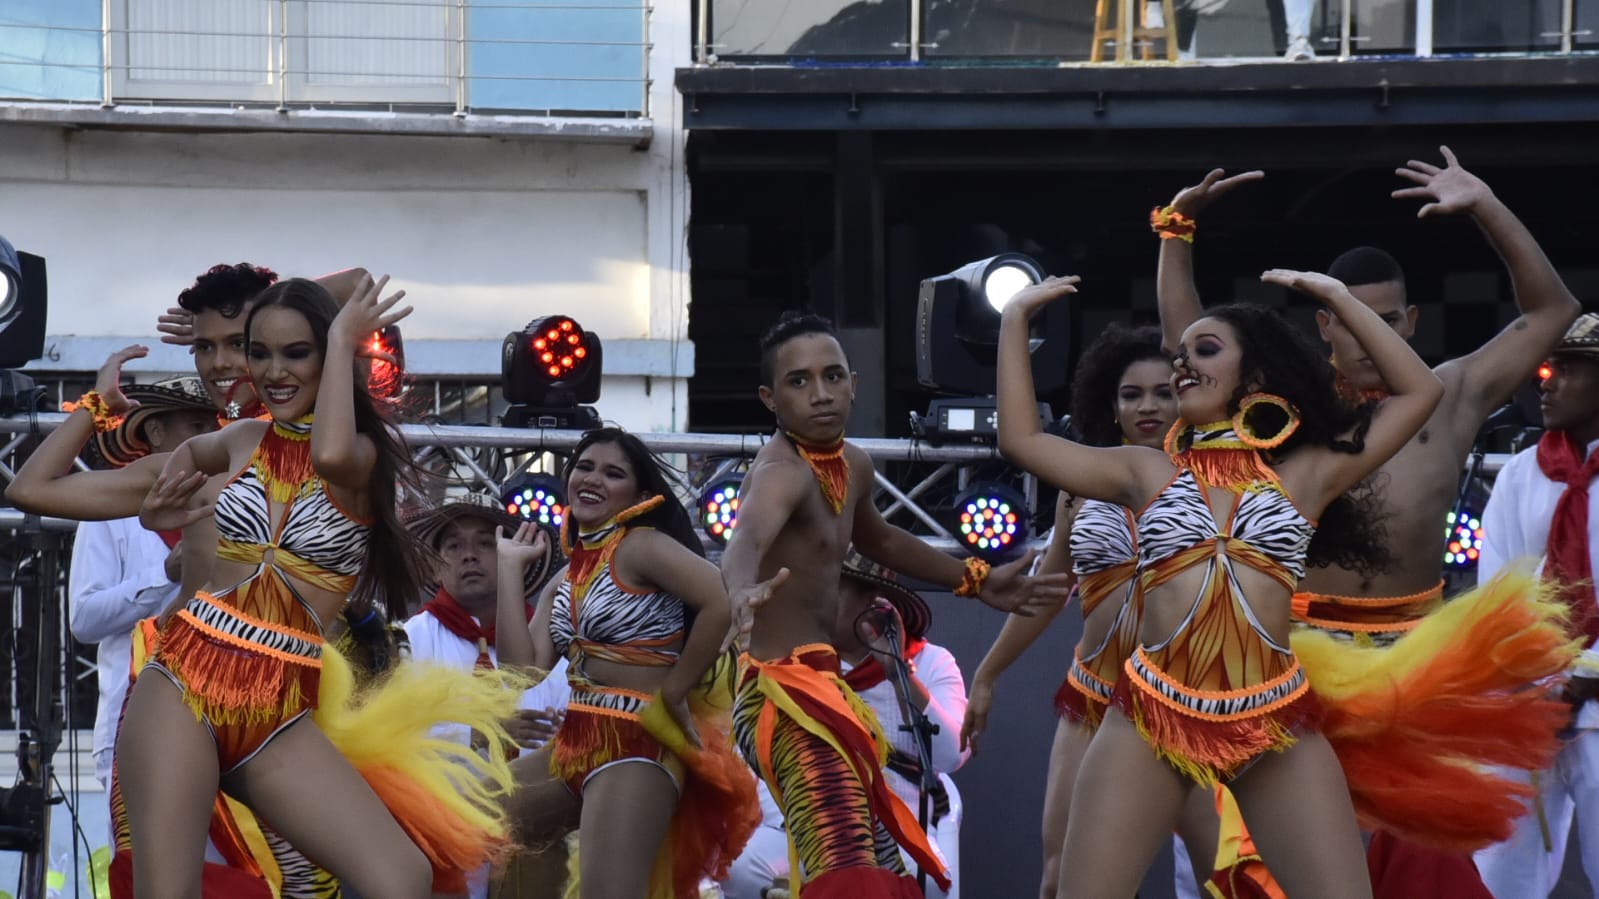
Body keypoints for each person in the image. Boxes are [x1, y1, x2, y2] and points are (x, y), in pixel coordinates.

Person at [1157, 151, 1582, 893]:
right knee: (1273, 867)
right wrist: (1174, 232)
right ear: (1325, 322)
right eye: (1352, 318)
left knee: (1421, 869)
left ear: (1409, 320)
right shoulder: (1286, 410)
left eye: (1386, 319)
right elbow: (1190, 346)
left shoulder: (1449, 393)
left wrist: (1484, 203)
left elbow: (1551, 314)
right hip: (1296, 655)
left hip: (1415, 658)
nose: (1367, 336)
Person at [996, 264, 1448, 898]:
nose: (1182, 364)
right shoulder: (1142, 471)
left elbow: (1420, 393)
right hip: (1151, 716)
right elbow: (1019, 439)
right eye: (1179, 354)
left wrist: (1340, 299)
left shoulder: (1307, 476)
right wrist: (1015, 320)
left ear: (1256, 377)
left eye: (1204, 351)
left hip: (1272, 720)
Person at [116, 275, 524, 898]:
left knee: (400, 877)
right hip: (186, 683)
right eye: (259, 353)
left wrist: (338, 338)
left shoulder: (358, 454)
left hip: (277, 705)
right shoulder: (244, 439)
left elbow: (331, 448)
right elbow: (36, 492)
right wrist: (153, 511)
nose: (272, 370)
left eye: (295, 353)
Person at [721, 311, 1069, 898]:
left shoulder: (851, 463)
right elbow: (745, 540)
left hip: (823, 690)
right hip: (781, 694)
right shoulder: (781, 472)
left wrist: (978, 580)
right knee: (846, 860)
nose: (821, 394)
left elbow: (880, 540)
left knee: (879, 856)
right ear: (769, 398)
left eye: (832, 377)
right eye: (799, 382)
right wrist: (738, 589)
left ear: (854, 383)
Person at [960, 323, 1223, 897]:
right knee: (1061, 882)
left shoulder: (1220, 481)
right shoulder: (1079, 487)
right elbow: (1048, 589)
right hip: (1096, 704)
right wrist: (986, 674)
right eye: (1132, 394)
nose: (1149, 405)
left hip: (1192, 706)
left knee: (1226, 884)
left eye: (1164, 391)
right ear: (1111, 402)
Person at [493, 426, 759, 899]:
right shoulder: (567, 573)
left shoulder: (640, 546)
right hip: (575, 741)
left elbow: (720, 599)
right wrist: (511, 570)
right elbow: (523, 672)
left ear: (639, 494)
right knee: (477, 809)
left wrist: (676, 690)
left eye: (613, 473)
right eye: (584, 467)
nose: (592, 479)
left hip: (635, 743)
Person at [725, 547, 970, 899]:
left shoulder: (931, 662)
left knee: (925, 877)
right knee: (741, 866)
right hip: (797, 827)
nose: (812, 600)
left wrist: (897, 671)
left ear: (874, 603)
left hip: (894, 832)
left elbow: (949, 755)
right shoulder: (789, 666)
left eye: (830, 589)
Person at [1473, 313, 1599, 898]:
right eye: (1547, 369)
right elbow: (1497, 588)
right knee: (1502, 871)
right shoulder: (1522, 472)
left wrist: (1579, 678)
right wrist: (1531, 679)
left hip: (1592, 703)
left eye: (1568, 370)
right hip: (1528, 703)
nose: (1545, 382)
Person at [67, 377, 217, 838]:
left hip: (227, 725)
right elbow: (84, 619)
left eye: (214, 426)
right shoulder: (112, 508)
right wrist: (165, 576)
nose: (211, 439)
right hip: (134, 729)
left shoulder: (229, 507)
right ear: (154, 434)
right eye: (196, 425)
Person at [403, 491, 570, 899]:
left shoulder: (555, 647)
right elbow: (390, 749)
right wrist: (478, 732)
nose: (470, 555)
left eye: (486, 543)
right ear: (435, 563)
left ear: (515, 555)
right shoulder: (408, 639)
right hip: (440, 846)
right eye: (454, 545)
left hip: (535, 852)